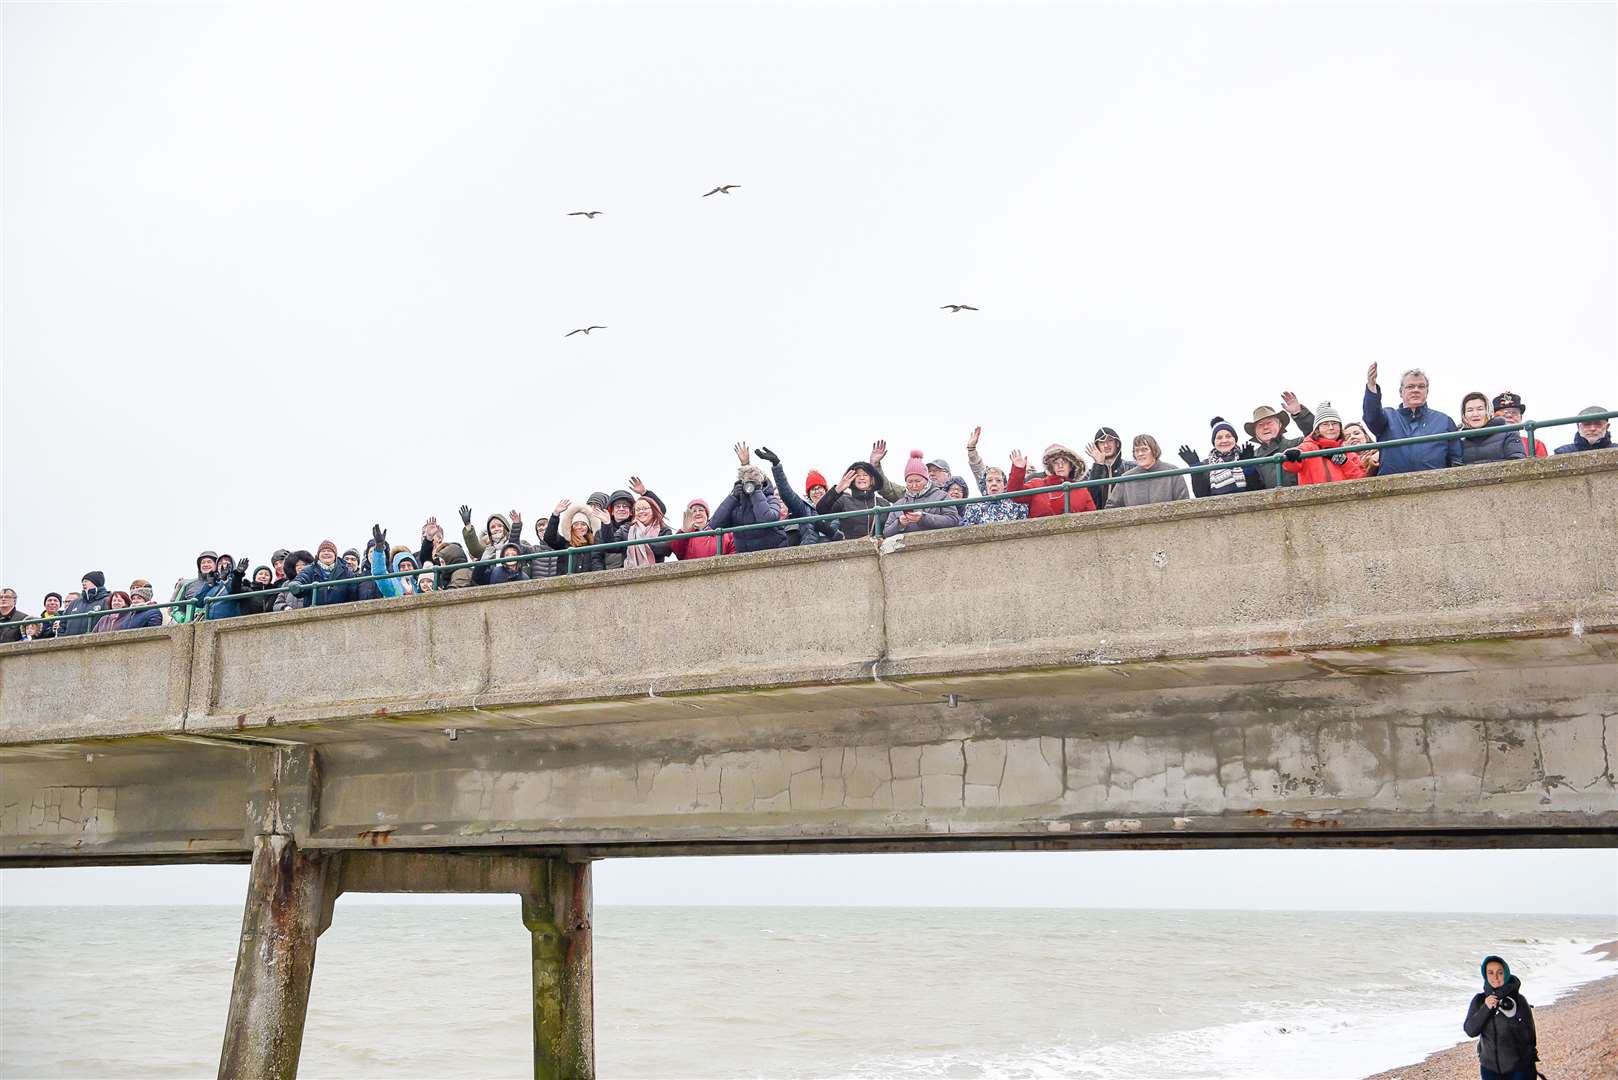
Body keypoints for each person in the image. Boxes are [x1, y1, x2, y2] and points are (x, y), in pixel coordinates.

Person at [1362, 364, 1461, 473]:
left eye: (1421, 386)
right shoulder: (1387, 416)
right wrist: (1371, 387)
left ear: (1427, 392)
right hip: (1393, 485)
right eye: (1410, 387)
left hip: (1434, 485)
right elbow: (1371, 417)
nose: (1415, 390)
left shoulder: (1444, 421)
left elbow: (1456, 459)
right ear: (1401, 392)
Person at [1463, 955, 1538, 1080]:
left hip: (1520, 1068)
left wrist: (1510, 1015)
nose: (1495, 977)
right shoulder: (1479, 1000)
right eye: (1490, 973)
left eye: (1500, 973)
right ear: (1485, 975)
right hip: (1489, 1068)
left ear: (1506, 973)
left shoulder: (1519, 1000)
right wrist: (1486, 1008)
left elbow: (1530, 1037)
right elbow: (1471, 1031)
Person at [754, 448, 841, 545]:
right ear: (808, 494)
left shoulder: (837, 507)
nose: (817, 492)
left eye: (819, 488)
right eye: (812, 489)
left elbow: (840, 533)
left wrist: (828, 529)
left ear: (826, 490)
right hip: (810, 551)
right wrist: (776, 465)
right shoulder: (805, 509)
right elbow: (786, 493)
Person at [710, 443, 789, 551]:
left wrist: (756, 491)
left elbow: (767, 520)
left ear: (762, 481)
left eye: (755, 479)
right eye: (747, 480)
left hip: (774, 552)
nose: (750, 482)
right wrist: (732, 497)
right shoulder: (736, 505)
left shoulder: (772, 499)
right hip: (746, 557)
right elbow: (715, 525)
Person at [1282, 403, 1368, 486]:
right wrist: (1291, 456)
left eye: (1335, 423)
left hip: (1345, 499)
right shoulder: (1308, 447)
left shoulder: (1349, 453)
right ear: (1317, 429)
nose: (1331, 427)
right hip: (1314, 499)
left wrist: (1345, 462)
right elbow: (1291, 466)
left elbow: (1361, 479)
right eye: (1325, 424)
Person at [1241, 393, 1315, 489]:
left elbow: (1316, 435)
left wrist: (1299, 414)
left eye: (1269, 422)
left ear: (1280, 425)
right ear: (1255, 433)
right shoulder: (1252, 457)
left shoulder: (1298, 444)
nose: (1265, 427)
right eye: (1260, 425)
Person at [881, 450, 961, 535]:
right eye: (910, 482)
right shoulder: (898, 504)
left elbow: (953, 520)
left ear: (926, 480)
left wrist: (924, 518)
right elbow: (886, 532)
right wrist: (899, 523)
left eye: (918, 481)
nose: (914, 485)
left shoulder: (942, 496)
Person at [1007, 444, 1097, 517]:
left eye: (1064, 462)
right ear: (1051, 467)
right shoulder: (1037, 484)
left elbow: (1092, 518)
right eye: (1055, 462)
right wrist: (1018, 469)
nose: (1060, 466)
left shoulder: (1081, 490)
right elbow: (1015, 494)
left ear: (1071, 466)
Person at [1178, 418, 1261, 498]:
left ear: (1235, 439)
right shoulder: (1206, 465)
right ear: (1214, 442)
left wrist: (1248, 466)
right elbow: (1200, 495)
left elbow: (1257, 489)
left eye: (1228, 436)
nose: (1224, 440)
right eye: (1219, 438)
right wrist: (1195, 468)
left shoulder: (1245, 457)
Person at [815, 461, 890, 539]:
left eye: (865, 475)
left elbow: (890, 528)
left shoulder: (884, 504)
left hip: (879, 548)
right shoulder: (844, 501)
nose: (861, 478)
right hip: (852, 548)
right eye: (858, 475)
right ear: (853, 480)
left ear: (872, 479)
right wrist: (838, 489)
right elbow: (821, 510)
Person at [1110, 436, 1190, 507]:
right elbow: (1111, 507)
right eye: (1136, 450)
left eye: (1144, 449)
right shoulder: (1126, 478)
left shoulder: (1173, 472)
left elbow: (1184, 504)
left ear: (1154, 451)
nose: (1140, 454)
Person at [1457, 392, 1528, 465]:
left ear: (1489, 412)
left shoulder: (1509, 432)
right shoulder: (1458, 439)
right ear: (1464, 415)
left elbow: (1517, 462)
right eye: (1470, 410)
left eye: (1480, 409)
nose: (1475, 414)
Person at [542, 500, 605, 574]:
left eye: (583, 524)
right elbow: (549, 538)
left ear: (588, 527)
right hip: (566, 583)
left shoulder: (594, 544)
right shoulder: (564, 543)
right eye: (576, 524)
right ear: (571, 527)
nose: (579, 527)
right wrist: (555, 515)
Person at [1082, 427, 1135, 509]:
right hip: (1099, 519)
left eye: (1110, 440)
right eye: (1101, 442)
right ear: (1097, 446)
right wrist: (1098, 465)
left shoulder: (1132, 468)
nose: (1106, 445)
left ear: (1117, 443)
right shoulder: (1088, 474)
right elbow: (1089, 498)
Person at [668, 499, 737, 560]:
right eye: (694, 511)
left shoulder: (723, 532)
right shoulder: (686, 535)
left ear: (707, 515)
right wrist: (683, 531)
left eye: (701, 510)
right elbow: (677, 551)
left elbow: (734, 551)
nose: (698, 513)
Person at [295, 539, 358, 606]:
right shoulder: (309, 570)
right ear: (318, 555)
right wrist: (296, 584)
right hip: (314, 613)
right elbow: (302, 580)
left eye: (329, 551)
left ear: (335, 555)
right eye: (323, 551)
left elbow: (353, 595)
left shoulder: (346, 572)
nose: (326, 553)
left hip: (340, 613)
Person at [960, 465, 1028, 526]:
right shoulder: (973, 508)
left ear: (1004, 485)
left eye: (998, 480)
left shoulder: (1018, 507)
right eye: (989, 480)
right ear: (984, 485)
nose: (994, 483)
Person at [623, 497, 675, 568]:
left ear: (653, 510)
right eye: (638, 510)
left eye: (645, 508)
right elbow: (612, 546)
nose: (641, 511)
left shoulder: (664, 530)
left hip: (656, 572)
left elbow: (666, 549)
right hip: (630, 572)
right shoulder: (627, 528)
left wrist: (639, 542)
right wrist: (607, 524)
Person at [1492, 392, 1547, 458]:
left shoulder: (1536, 444)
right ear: (1494, 418)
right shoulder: (1485, 445)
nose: (1509, 415)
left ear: (1521, 418)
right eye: (1504, 413)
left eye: (1514, 413)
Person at [170, 550, 219, 624]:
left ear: (216, 565)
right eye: (203, 562)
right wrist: (184, 620)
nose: (205, 564)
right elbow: (176, 608)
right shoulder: (188, 584)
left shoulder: (222, 583)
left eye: (209, 562)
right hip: (191, 625)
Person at [57, 572, 112, 636]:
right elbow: (63, 623)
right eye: (82, 582)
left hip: (96, 642)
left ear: (96, 582)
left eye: (86, 581)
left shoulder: (107, 600)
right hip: (71, 643)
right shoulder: (75, 603)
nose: (83, 583)